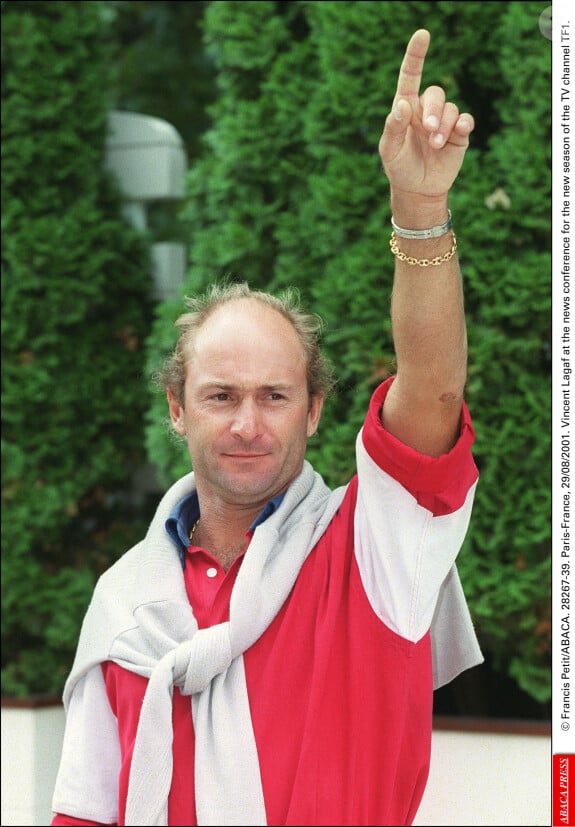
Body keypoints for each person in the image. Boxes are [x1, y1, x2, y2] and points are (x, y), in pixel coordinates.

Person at [51, 28, 482, 827]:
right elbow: (83, 811)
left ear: (315, 408)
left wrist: (418, 209)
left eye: (275, 396)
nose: (248, 423)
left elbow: (433, 389)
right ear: (175, 407)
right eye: (220, 396)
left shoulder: (371, 551)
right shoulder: (123, 603)